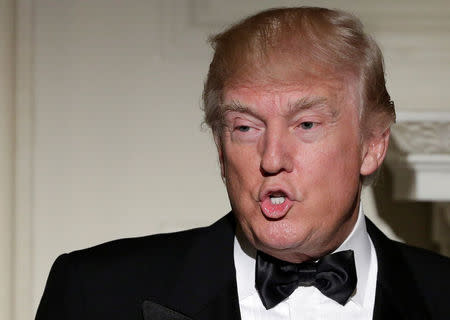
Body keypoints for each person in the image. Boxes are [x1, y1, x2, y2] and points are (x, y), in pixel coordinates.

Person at [36, 7, 450, 320]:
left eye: (306, 124)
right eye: (246, 128)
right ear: (220, 148)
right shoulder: (96, 293)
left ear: (373, 145)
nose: (271, 159)